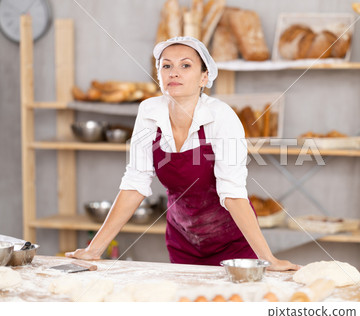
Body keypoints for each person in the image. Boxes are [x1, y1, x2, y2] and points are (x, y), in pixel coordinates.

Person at [66, 36, 298, 271]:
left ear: (204, 77)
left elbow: (233, 194)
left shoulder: (221, 117)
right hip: (183, 241)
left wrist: (268, 259)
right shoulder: (149, 112)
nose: (174, 72)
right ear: (159, 75)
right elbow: (135, 184)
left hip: (234, 245)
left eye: (185, 65)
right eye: (166, 66)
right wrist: (94, 249)